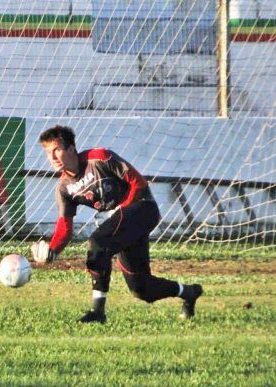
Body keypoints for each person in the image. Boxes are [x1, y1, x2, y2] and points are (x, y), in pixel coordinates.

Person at [31, 125, 203, 324]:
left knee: (97, 243)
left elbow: (139, 183)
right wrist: (52, 251)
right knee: (141, 289)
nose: (52, 157)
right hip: (124, 223)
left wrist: (121, 209)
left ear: (71, 148)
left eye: (57, 150)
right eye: (47, 152)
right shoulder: (63, 188)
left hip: (143, 208)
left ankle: (98, 312)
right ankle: (189, 292)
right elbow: (64, 227)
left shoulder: (100, 157)